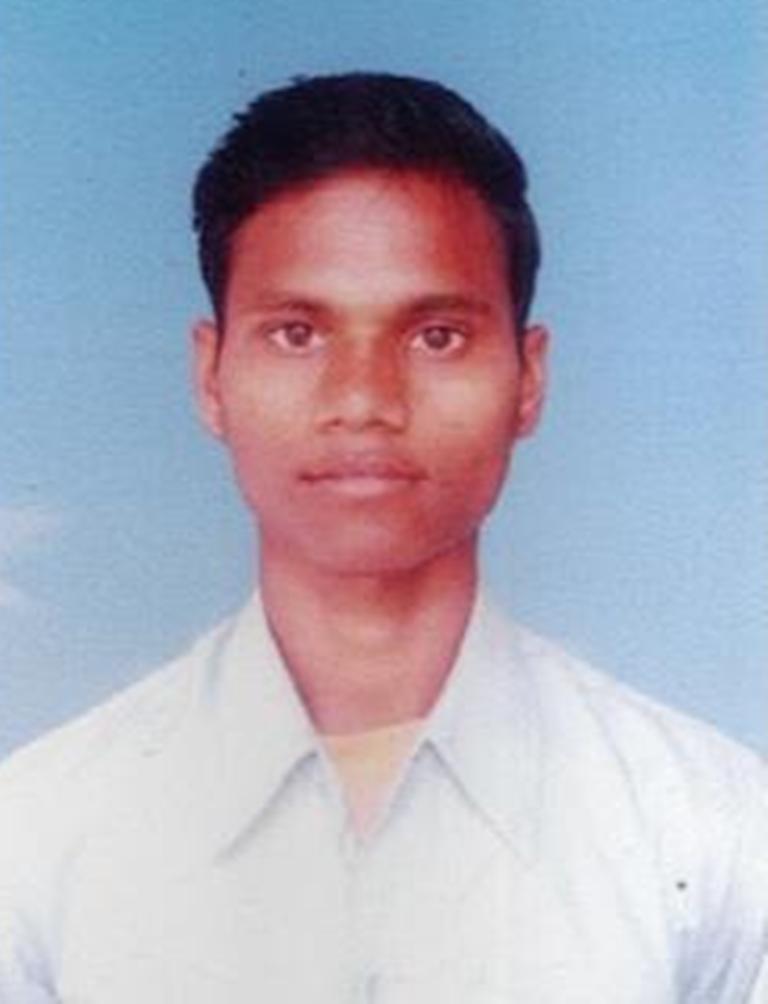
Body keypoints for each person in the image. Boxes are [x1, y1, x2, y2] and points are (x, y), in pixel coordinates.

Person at [0, 72, 765, 1003]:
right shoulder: (35, 840)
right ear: (211, 376)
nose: (363, 400)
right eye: (296, 334)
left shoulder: (716, 834)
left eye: (436, 336)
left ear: (528, 380)